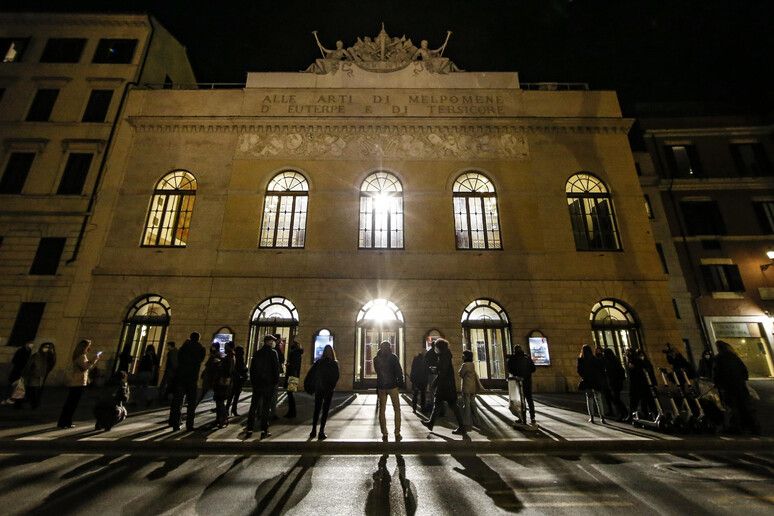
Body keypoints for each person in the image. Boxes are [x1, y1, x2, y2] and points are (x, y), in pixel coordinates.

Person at [713, 340, 760, 434]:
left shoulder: (719, 358)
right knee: (745, 406)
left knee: (732, 407)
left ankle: (736, 427)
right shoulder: (734, 357)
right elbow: (744, 370)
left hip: (728, 387)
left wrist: (717, 383)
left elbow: (716, 373)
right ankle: (753, 427)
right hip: (740, 386)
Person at [421, 339, 466, 435]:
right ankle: (431, 423)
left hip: (446, 385)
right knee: (439, 404)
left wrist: (435, 382)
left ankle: (462, 427)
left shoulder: (444, 356)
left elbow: (443, 372)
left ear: (439, 347)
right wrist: (436, 369)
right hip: (446, 385)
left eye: (436, 347)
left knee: (452, 406)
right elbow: (442, 369)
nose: (435, 349)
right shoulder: (444, 355)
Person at [58, 339, 101, 429]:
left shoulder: (80, 355)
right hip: (78, 383)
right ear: (84, 347)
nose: (89, 348)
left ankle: (64, 421)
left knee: (70, 403)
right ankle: (65, 422)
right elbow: (86, 367)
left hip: (77, 382)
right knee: (72, 404)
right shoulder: (81, 356)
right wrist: (94, 359)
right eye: (88, 346)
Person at [168, 332, 206, 431]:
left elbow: (179, 359)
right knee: (191, 403)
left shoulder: (184, 348)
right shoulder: (201, 349)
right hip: (192, 378)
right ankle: (190, 425)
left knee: (178, 402)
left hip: (181, 377)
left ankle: (176, 424)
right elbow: (201, 360)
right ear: (198, 339)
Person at [246, 334, 280, 439]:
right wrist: (275, 382)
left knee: (254, 406)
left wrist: (253, 382)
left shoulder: (257, 353)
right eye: (272, 341)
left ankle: (249, 429)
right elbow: (276, 369)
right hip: (268, 384)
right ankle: (264, 430)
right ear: (268, 342)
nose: (273, 343)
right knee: (266, 407)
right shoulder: (273, 353)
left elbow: (252, 369)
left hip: (257, 384)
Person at [373, 340, 405, 442]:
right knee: (397, 409)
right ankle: (397, 432)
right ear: (389, 347)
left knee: (382, 410)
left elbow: (378, 372)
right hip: (392, 386)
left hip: (381, 386)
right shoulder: (393, 357)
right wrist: (401, 383)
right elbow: (399, 371)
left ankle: (385, 433)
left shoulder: (376, 359)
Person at [310, 344, 340, 440]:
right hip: (328, 389)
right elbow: (336, 377)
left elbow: (313, 375)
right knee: (325, 410)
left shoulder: (319, 362)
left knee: (317, 409)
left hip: (319, 388)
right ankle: (321, 431)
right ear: (332, 352)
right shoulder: (334, 363)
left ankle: (313, 430)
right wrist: (331, 386)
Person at [19, 342, 56, 409]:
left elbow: (51, 365)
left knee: (34, 390)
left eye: (49, 347)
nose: (47, 349)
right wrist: (26, 373)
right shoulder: (37, 355)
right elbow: (29, 365)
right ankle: (30, 403)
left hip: (41, 376)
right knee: (31, 390)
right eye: (46, 347)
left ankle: (33, 404)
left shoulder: (50, 356)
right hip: (33, 375)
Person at [507, 344, 537, 425]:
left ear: (514, 351)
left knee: (521, 401)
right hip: (527, 381)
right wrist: (527, 374)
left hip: (518, 382)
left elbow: (510, 369)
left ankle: (522, 418)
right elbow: (533, 368)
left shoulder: (513, 359)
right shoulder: (527, 358)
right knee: (529, 400)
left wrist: (517, 375)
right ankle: (532, 418)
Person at [577, 344, 606, 424]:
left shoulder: (581, 360)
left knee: (589, 399)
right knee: (599, 399)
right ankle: (602, 417)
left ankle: (592, 417)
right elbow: (600, 369)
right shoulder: (595, 359)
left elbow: (579, 371)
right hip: (596, 381)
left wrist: (584, 376)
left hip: (587, 381)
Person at [459, 350, 485, 428]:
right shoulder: (472, 364)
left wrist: (460, 371)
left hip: (466, 387)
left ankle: (467, 422)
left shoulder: (465, 365)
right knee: (473, 404)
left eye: (463, 355)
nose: (462, 356)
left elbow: (461, 374)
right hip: (472, 387)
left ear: (466, 356)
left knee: (466, 405)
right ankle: (477, 421)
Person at [602, 348, 628, 421]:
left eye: (604, 353)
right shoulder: (612, 360)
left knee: (616, 399)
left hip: (615, 383)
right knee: (616, 399)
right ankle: (623, 413)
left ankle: (623, 414)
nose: (603, 355)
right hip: (614, 383)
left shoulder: (612, 361)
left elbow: (618, 372)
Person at [214, 343, 235, 428]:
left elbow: (227, 371)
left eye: (226, 346)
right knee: (220, 401)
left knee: (220, 401)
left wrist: (219, 365)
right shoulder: (230, 357)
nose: (225, 348)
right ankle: (220, 419)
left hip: (224, 381)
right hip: (225, 381)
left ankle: (223, 418)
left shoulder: (229, 357)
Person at [284, 340, 303, 418]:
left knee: (290, 394)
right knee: (290, 394)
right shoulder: (298, 353)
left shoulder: (294, 353)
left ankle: (292, 412)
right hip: (294, 376)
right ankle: (291, 412)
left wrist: (288, 365)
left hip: (292, 376)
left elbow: (293, 366)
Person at [230, 345, 247, 416]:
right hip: (238, 379)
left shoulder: (234, 357)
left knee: (231, 395)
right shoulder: (240, 359)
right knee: (236, 396)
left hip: (234, 379)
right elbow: (242, 368)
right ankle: (233, 409)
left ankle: (229, 409)